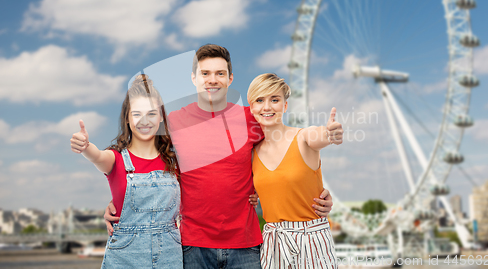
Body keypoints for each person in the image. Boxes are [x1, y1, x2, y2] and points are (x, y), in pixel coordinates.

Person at [104, 44, 335, 269]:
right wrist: (121, 200)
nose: (212, 79)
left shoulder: (252, 119)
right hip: (193, 245)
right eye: (205, 73)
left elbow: (287, 148)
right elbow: (146, 158)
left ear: (230, 79)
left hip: (245, 244)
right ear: (194, 78)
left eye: (219, 73)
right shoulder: (173, 122)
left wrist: (316, 192)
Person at [70, 74, 182, 268]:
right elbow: (96, 156)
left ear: (162, 116)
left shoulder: (174, 161)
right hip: (125, 257)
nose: (144, 121)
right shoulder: (115, 158)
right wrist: (85, 146)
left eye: (152, 113)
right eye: (137, 114)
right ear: (127, 118)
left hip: (170, 255)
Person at [247, 73, 343, 269]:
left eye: (275, 99)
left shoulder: (304, 137)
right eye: (260, 100)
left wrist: (330, 133)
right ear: (251, 107)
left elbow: (320, 135)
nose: (267, 107)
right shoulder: (251, 154)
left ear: (285, 105)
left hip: (312, 239)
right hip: (274, 242)